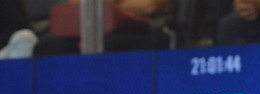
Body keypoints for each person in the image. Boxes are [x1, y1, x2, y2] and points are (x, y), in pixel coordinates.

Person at [31, 0, 171, 57]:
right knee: (48, 46)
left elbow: (149, 6)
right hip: (91, 26)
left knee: (107, 44)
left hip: (141, 28)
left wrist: (111, 8)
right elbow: (76, 5)